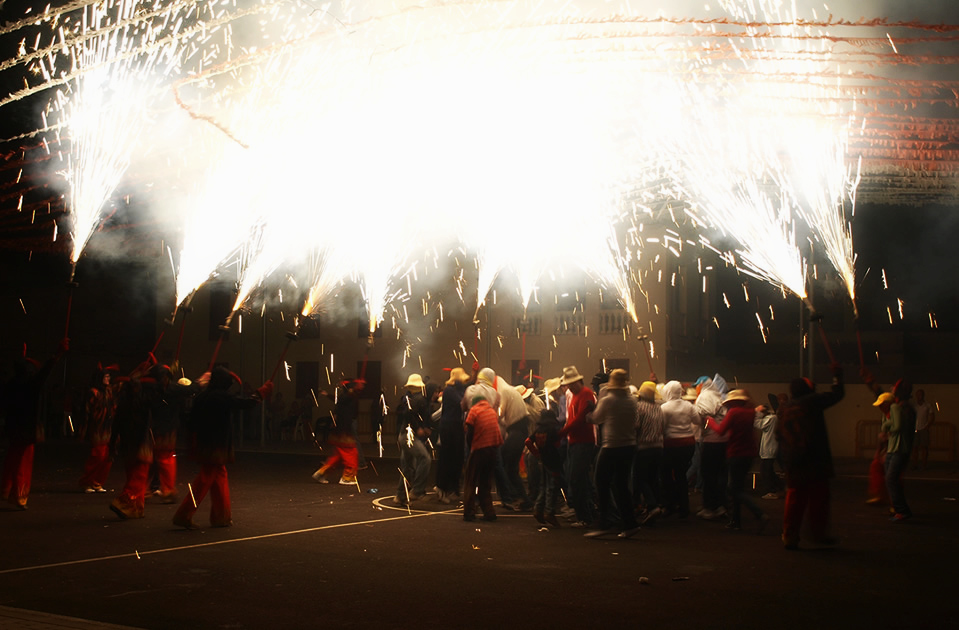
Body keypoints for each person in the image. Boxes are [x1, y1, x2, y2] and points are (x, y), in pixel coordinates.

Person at [172, 367, 272, 529]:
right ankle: (184, 514)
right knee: (206, 478)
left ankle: (221, 516)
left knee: (220, 477)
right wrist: (261, 393)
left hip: (204, 442)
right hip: (216, 443)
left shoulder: (202, 396)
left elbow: (191, 422)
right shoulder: (220, 397)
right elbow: (245, 404)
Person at [776, 362, 844, 549]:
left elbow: (778, 435)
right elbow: (838, 395)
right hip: (815, 460)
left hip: (793, 461)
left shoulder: (784, 409)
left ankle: (789, 535)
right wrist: (838, 376)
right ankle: (818, 533)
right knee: (818, 499)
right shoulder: (812, 402)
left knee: (794, 499)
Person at [1, 338, 68, 509]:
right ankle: (19, 496)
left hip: (13, 429)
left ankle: (5, 489)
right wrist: (57, 354)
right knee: (23, 463)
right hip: (25, 430)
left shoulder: (10, 385)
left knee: (12, 459)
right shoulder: (30, 385)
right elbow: (44, 372)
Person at [586, 369, 641, 539]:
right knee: (622, 486)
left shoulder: (608, 400)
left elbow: (596, 418)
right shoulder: (632, 400)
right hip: (629, 445)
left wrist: (588, 413)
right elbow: (636, 422)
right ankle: (630, 523)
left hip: (611, 446)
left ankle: (604, 522)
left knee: (601, 482)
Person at [706, 389, 768, 532]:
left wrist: (710, 422)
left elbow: (721, 430)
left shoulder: (734, 413)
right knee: (738, 487)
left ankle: (759, 513)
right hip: (750, 453)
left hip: (736, 452)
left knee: (733, 489)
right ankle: (736, 521)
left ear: (732, 402)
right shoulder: (751, 412)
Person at [558, 366, 597, 527]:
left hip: (583, 442)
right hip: (575, 441)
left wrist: (562, 433)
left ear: (577, 382)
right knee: (578, 479)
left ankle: (585, 517)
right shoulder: (575, 395)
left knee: (576, 479)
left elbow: (579, 418)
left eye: (571, 384)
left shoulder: (585, 394)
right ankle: (586, 514)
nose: (569, 387)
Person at [313, 379, 364, 485]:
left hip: (339, 430)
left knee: (338, 456)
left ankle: (322, 473)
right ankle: (347, 477)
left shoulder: (344, 397)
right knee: (351, 454)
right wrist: (354, 389)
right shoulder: (348, 397)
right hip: (345, 431)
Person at [659, 380, 698, 519]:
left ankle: (669, 505)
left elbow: (661, 427)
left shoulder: (664, 408)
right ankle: (684, 508)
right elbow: (698, 420)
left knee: (667, 476)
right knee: (681, 475)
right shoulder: (688, 406)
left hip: (670, 444)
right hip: (688, 443)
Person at [879, 380, 917, 523]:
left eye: (894, 388)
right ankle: (898, 508)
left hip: (900, 449)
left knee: (891, 479)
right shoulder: (899, 407)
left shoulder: (904, 408)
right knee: (891, 479)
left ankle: (902, 510)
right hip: (895, 448)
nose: (892, 390)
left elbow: (898, 427)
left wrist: (887, 426)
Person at [435, 366, 473, 503]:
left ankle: (451, 488)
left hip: (455, 426)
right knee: (447, 458)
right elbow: (462, 403)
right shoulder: (450, 391)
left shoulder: (454, 390)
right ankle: (442, 488)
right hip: (449, 427)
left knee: (457, 458)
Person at [462, 396, 503, 522]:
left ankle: (469, 512)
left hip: (480, 448)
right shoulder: (491, 411)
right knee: (485, 482)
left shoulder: (474, 410)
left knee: (471, 480)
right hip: (493, 449)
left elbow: (469, 432)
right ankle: (489, 512)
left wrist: (471, 447)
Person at [78, 364, 117, 494]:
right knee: (97, 456)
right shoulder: (93, 392)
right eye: (106, 376)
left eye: (109, 376)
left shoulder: (109, 391)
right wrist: (83, 430)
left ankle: (98, 482)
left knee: (107, 457)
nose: (108, 379)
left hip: (109, 427)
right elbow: (86, 412)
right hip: (97, 428)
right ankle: (86, 481)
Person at [394, 374, 431, 504]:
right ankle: (417, 491)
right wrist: (419, 428)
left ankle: (401, 495)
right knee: (425, 459)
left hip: (403, 434)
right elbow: (410, 414)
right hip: (409, 436)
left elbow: (407, 414)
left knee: (408, 467)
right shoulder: (419, 399)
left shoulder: (407, 398)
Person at [695, 375, 729, 521]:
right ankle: (720, 505)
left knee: (708, 474)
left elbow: (704, 413)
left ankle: (710, 508)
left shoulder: (705, 396)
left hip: (712, 440)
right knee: (720, 475)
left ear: (702, 385)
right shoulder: (718, 395)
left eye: (697, 385)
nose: (696, 388)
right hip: (724, 440)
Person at [525, 409, 563, 527]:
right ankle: (549, 512)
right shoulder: (553, 429)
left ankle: (538, 509)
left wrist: (536, 453)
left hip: (544, 460)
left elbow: (527, 441)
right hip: (554, 460)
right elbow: (558, 444)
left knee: (544, 486)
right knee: (552, 487)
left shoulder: (538, 430)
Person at [634, 380, 665, 524]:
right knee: (653, 478)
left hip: (643, 448)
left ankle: (651, 505)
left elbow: (635, 426)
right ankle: (657, 505)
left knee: (640, 479)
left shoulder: (639, 407)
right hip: (658, 448)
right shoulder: (659, 408)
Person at [754, 394, 786, 499]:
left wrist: (757, 412)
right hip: (769, 448)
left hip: (770, 449)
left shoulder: (772, 418)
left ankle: (773, 490)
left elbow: (758, 424)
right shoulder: (772, 418)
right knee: (768, 470)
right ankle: (779, 488)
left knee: (766, 471)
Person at [912, 389, 935, 470]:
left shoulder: (927, 405)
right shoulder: (914, 406)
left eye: (920, 394)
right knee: (915, 447)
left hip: (924, 428)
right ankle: (915, 464)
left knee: (924, 447)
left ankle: (924, 464)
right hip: (915, 429)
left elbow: (932, 416)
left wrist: (927, 426)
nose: (919, 396)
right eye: (918, 395)